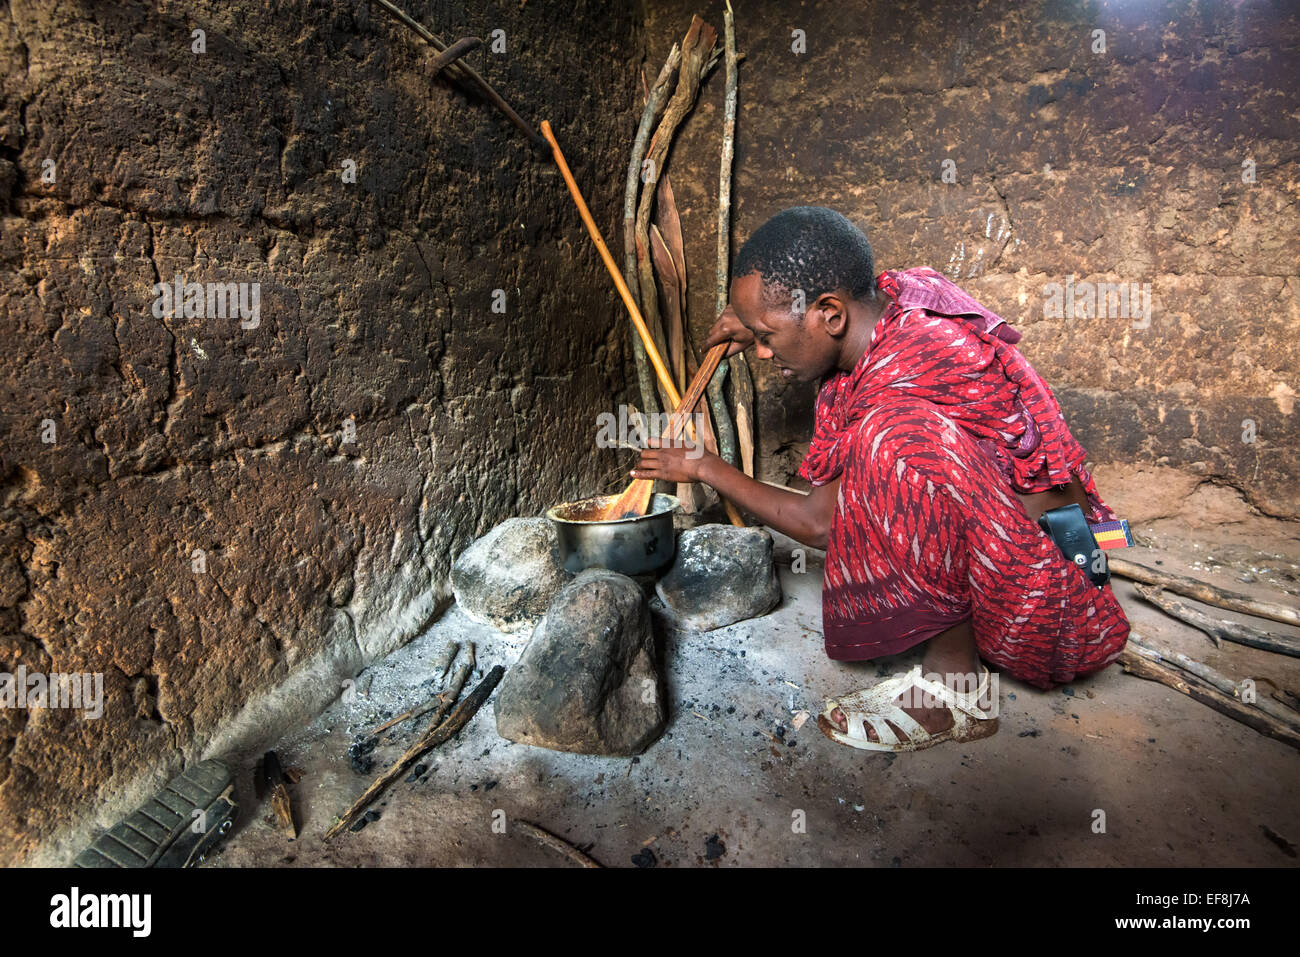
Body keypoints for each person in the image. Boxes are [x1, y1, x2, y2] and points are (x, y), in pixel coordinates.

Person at [631, 206, 1130, 752]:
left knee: (894, 439)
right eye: (756, 335)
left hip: (1056, 608)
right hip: (1022, 561)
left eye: (768, 336)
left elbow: (820, 524)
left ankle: (955, 691)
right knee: (890, 435)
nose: (764, 352)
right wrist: (754, 319)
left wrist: (706, 468)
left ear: (830, 314)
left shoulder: (901, 382)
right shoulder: (896, 309)